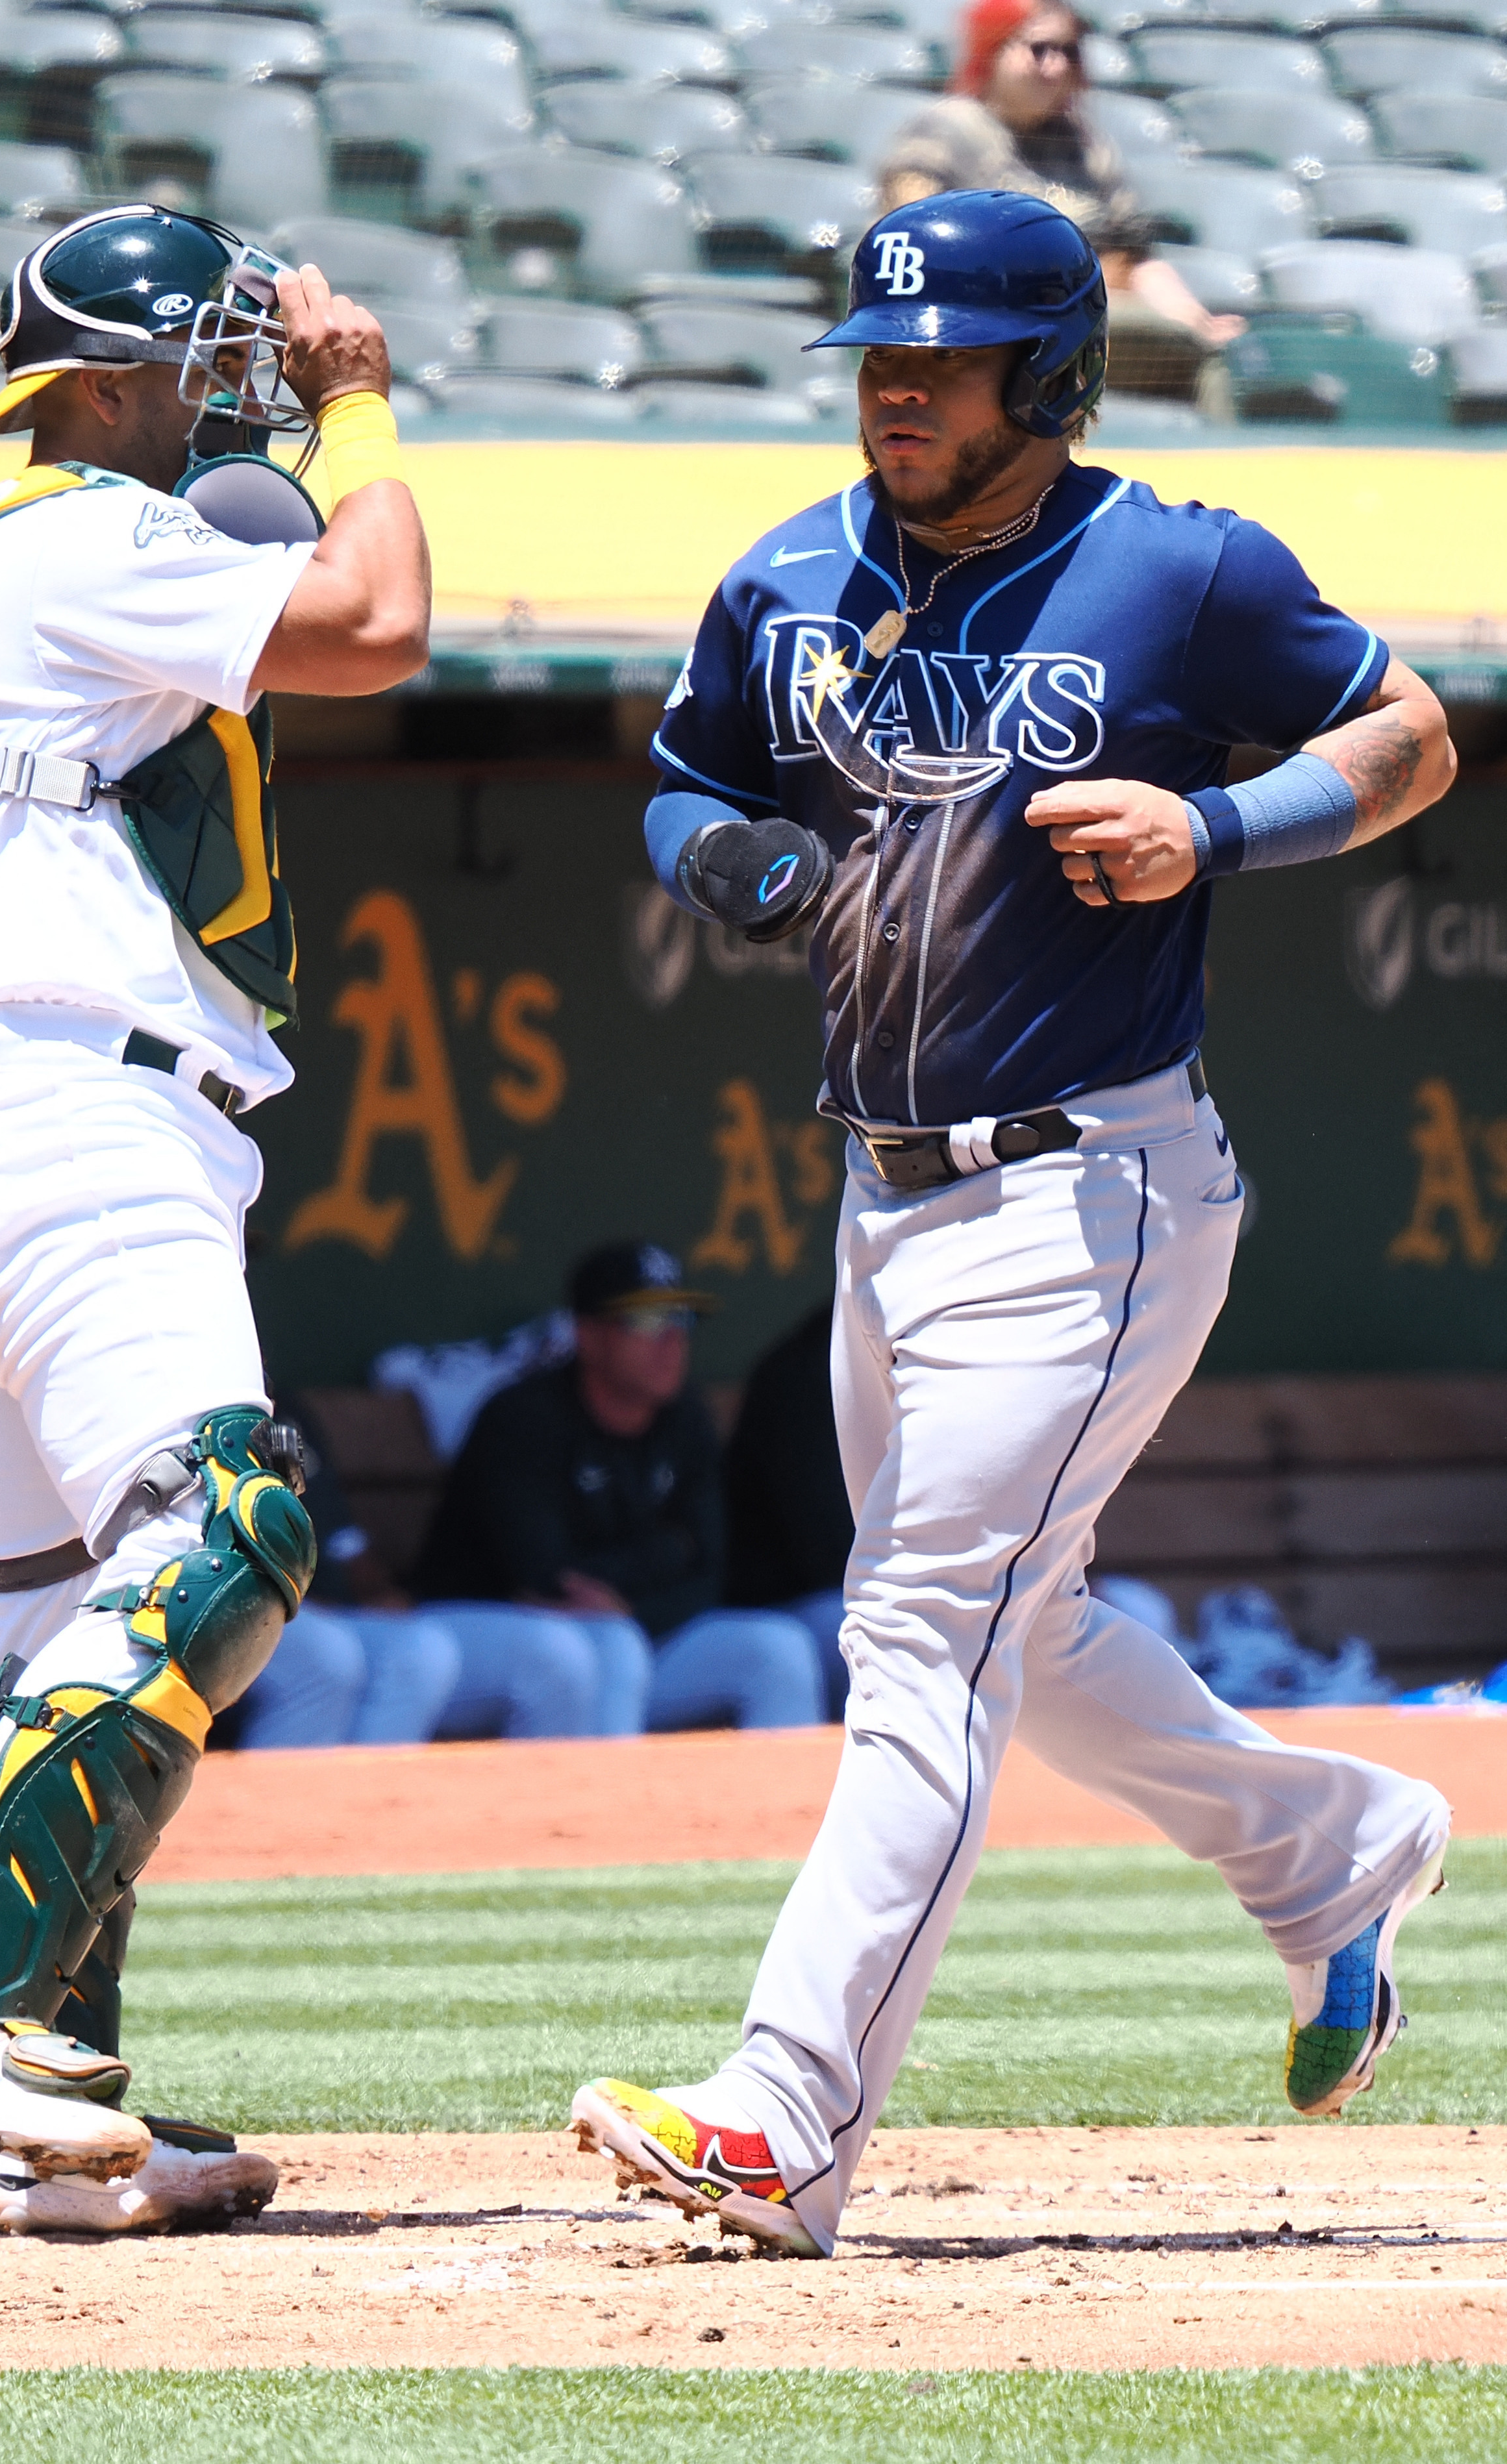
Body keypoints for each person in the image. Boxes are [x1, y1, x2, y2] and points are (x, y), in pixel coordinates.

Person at [568, 192, 1455, 2260]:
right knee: (1011, 1629)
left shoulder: (1177, 564)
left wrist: (1217, 822)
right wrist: (735, 872)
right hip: (884, 1190)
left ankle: (784, 2119)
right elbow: (685, 776)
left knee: (918, 1632)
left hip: (1097, 1181)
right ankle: (1337, 1846)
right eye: (879, 349)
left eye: (945, 354)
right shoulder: (794, 570)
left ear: (1048, 374)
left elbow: (1405, 734)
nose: (897, 381)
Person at [0, 203, 430, 2238]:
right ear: (101, 372)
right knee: (229, 1528)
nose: (225, 389)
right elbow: (381, 621)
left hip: (29, 1116)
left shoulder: (65, 548)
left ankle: (21, 2113)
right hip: (77, 1119)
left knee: (43, 1621)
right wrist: (359, 410)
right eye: (199, 359)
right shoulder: (75, 524)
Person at [416, 1243, 825, 1736]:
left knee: (778, 1650)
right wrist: (670, 1551)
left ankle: (776, 1815)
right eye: (647, 1321)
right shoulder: (525, 1419)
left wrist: (635, 1601)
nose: (671, 1339)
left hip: (628, 1629)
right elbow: (549, 1580)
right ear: (588, 1336)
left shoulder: (685, 1418)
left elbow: (712, 1570)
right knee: (610, 1646)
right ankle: (603, 1813)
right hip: (486, 1634)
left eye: (681, 1319)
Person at [877, 0, 1242, 412]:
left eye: (1069, 52)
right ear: (992, 50)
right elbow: (909, 240)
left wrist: (1193, 319)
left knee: (1207, 350)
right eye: (1038, 49)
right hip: (985, 324)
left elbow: (1134, 256)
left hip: (1083, 319)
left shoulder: (1083, 144)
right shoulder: (948, 130)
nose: (1055, 66)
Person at [214, 1391, 460, 1748]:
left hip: (304, 1610)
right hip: (208, 1603)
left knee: (420, 1651)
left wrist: (373, 1591)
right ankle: (277, 1804)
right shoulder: (170, 1410)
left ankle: (367, 1802)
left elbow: (335, 1531)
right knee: (326, 1658)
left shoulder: (281, 1414)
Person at [725, 1301, 855, 1721]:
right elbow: (826, 1551)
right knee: (868, 1630)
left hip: (834, 1594)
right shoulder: (807, 1373)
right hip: (780, 1602)